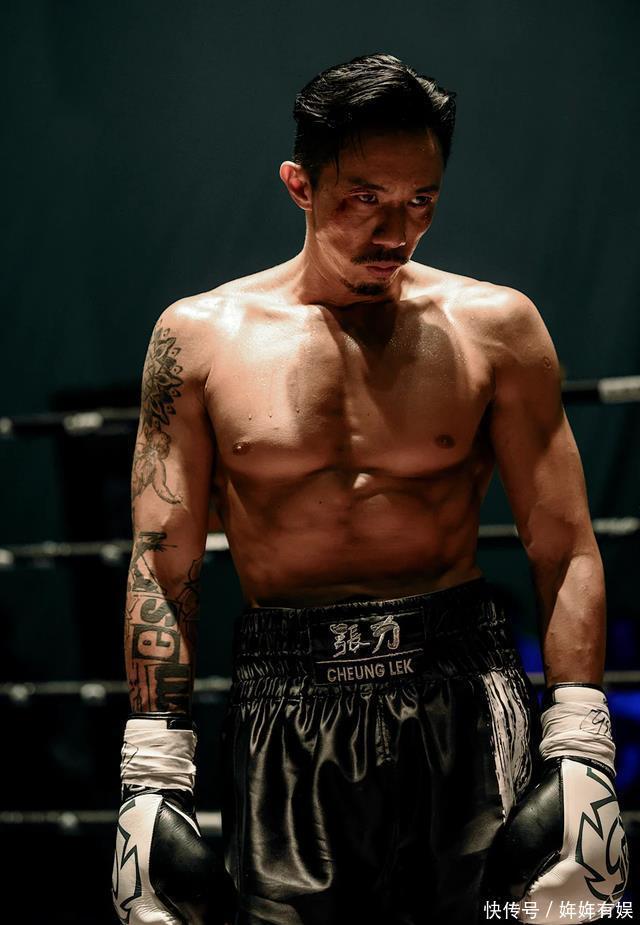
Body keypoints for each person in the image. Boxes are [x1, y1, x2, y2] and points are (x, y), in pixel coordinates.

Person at [111, 54, 628, 925]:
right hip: (287, 700)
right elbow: (162, 563)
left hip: (461, 690)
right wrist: (151, 774)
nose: (397, 227)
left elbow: (565, 543)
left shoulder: (497, 327)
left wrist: (581, 745)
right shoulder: (198, 339)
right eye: (365, 197)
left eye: (421, 199)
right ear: (299, 186)